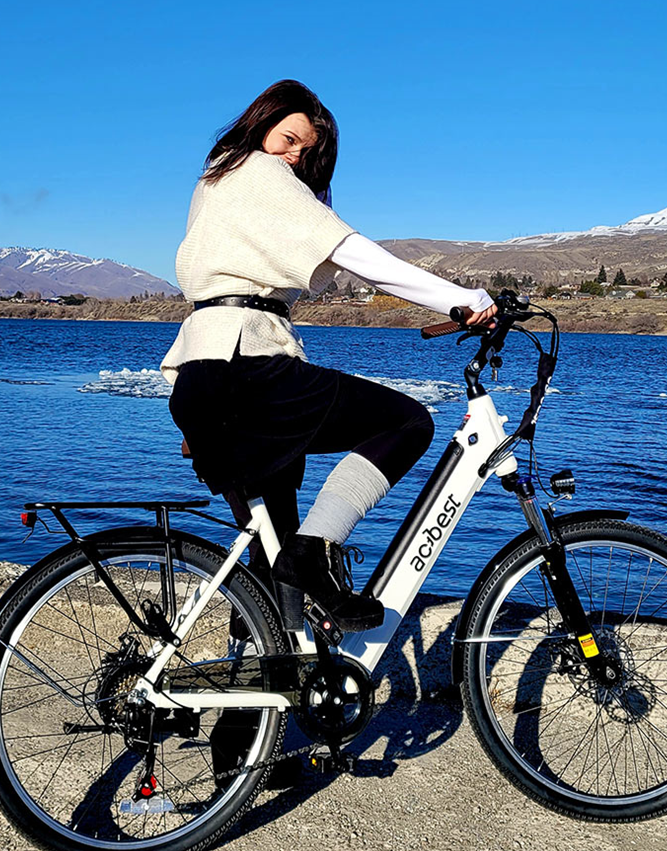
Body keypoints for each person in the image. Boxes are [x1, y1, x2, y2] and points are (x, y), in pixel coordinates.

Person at [164, 79, 497, 633]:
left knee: (269, 569)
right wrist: (460, 298)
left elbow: (308, 232)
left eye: (307, 152)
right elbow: (349, 251)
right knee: (407, 422)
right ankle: (315, 554)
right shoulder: (255, 170)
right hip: (248, 363)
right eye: (289, 138)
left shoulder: (217, 178)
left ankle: (250, 709)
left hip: (205, 374)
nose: (293, 156)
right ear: (261, 122)